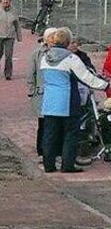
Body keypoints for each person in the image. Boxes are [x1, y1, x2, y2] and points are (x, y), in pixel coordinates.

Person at [40, 27, 109, 173]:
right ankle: (67, 165)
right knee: (70, 134)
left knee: (50, 134)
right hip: (68, 101)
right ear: (67, 42)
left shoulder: (45, 58)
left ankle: (49, 165)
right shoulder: (71, 58)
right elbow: (87, 78)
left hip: (49, 101)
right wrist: (105, 85)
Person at [28, 27, 56, 157]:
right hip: (41, 93)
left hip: (55, 92)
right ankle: (41, 148)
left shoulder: (61, 53)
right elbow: (31, 73)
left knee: (54, 123)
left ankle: (53, 148)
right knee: (43, 122)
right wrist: (32, 90)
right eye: (51, 37)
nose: (54, 39)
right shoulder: (37, 54)